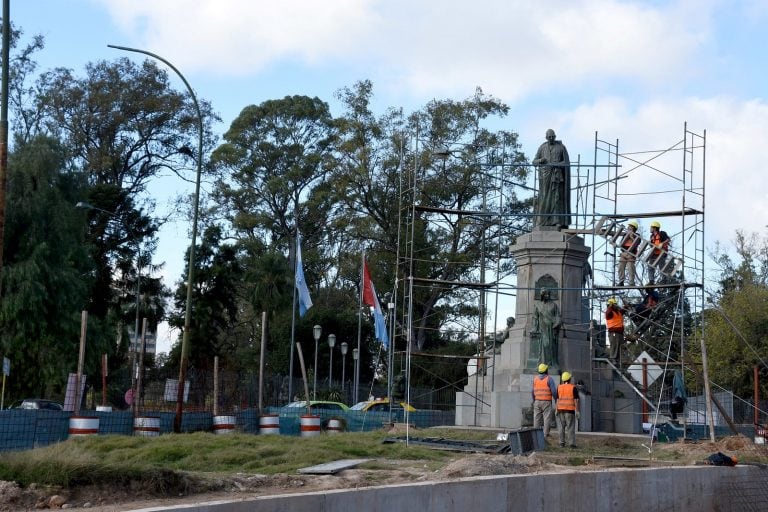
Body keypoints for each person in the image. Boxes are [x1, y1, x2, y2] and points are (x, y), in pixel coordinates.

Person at [532, 129, 571, 229]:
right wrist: (541, 160)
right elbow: (534, 162)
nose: (551, 138)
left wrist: (555, 164)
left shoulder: (561, 147)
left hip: (557, 177)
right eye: (549, 137)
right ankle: (543, 221)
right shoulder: (542, 147)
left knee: (556, 198)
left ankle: (557, 221)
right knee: (544, 198)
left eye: (553, 136)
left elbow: (566, 163)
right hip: (544, 178)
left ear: (555, 136)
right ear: (546, 137)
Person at [531, 288, 561, 367]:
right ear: (542, 295)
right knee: (545, 345)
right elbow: (535, 317)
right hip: (542, 328)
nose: (547, 296)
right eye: (545, 294)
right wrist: (534, 328)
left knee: (551, 346)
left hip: (552, 329)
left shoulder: (553, 305)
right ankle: (543, 364)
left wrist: (557, 323)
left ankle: (551, 363)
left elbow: (558, 316)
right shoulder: (538, 305)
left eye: (548, 294)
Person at [532, 363, 557, 437]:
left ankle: (535, 434)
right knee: (546, 418)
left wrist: (534, 400)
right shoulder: (549, 379)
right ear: (546, 370)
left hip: (537, 401)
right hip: (546, 401)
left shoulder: (535, 379)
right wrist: (556, 399)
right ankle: (545, 434)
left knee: (536, 418)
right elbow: (554, 391)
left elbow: (532, 391)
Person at [556, 371, 579, 448]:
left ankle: (561, 443)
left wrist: (556, 409)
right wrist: (577, 411)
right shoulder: (573, 388)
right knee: (570, 427)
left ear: (563, 380)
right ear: (569, 379)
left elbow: (557, 400)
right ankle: (571, 444)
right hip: (570, 411)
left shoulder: (559, 387)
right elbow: (576, 400)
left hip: (560, 410)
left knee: (561, 428)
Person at [617, 220, 640, 286]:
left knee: (630, 268)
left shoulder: (637, 235)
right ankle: (621, 282)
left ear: (633, 227)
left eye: (629, 226)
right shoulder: (625, 235)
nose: (628, 227)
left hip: (631, 254)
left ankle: (631, 282)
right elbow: (621, 245)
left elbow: (637, 243)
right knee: (620, 267)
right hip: (624, 253)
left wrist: (632, 237)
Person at [605, 297, 626, 364]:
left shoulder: (618, 312)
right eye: (615, 304)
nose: (616, 305)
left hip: (620, 333)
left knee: (619, 346)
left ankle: (618, 360)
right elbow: (608, 313)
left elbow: (622, 311)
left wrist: (626, 307)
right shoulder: (609, 312)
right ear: (611, 305)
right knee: (614, 345)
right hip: (613, 333)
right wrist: (610, 306)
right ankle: (613, 359)